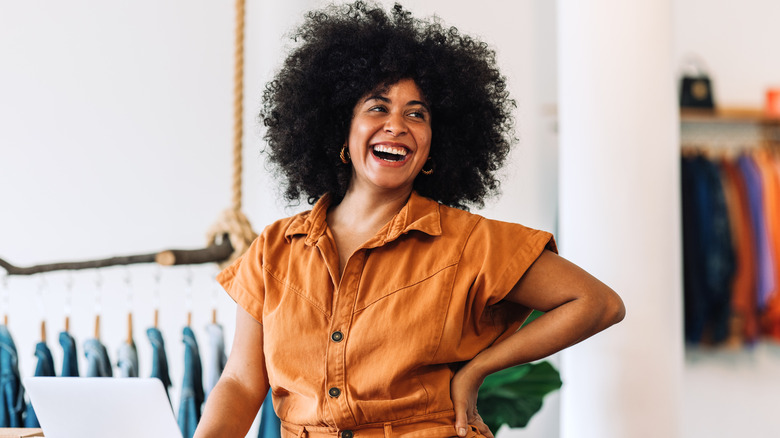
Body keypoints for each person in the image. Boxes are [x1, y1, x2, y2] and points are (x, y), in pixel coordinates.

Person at [194, 2, 625, 438]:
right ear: (341, 128)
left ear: (436, 142)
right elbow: (241, 381)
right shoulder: (275, 248)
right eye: (377, 108)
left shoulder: (468, 243)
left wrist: (476, 370)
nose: (397, 125)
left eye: (416, 113)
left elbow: (597, 303)